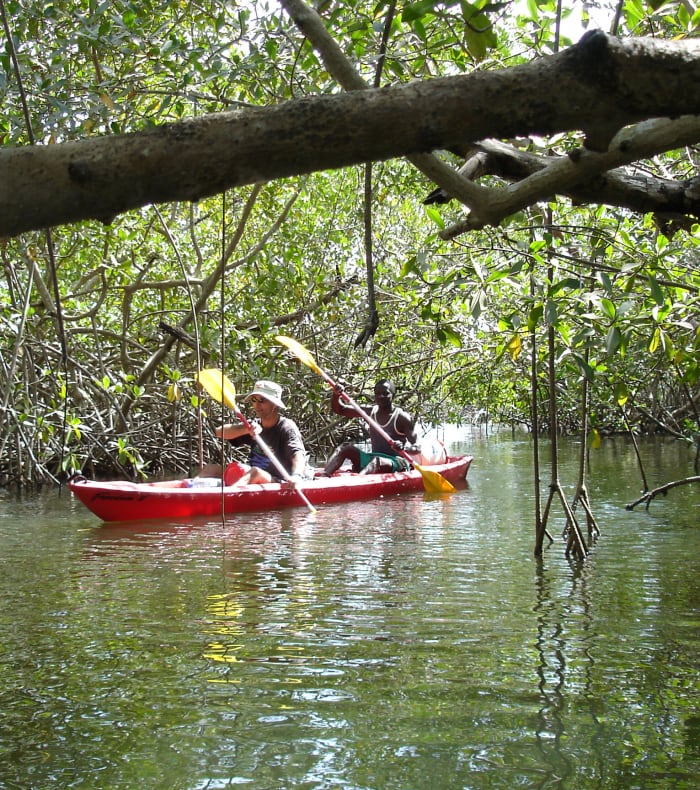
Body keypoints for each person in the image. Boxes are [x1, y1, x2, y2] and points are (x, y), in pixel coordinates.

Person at [199, 380, 309, 488]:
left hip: (279, 479)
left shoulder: (286, 427)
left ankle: (230, 496)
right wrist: (246, 429)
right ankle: (188, 490)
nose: (257, 404)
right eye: (254, 400)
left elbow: (298, 455)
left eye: (262, 400)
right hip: (253, 475)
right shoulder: (253, 425)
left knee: (255, 472)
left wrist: (296, 476)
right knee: (211, 469)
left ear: (275, 404)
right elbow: (219, 432)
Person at [322, 378, 418, 475]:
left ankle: (358, 482)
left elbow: (418, 447)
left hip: (397, 462)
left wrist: (404, 448)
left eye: (385, 393)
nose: (381, 396)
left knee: (377, 461)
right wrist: (336, 395)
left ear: (393, 395)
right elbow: (340, 409)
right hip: (373, 458)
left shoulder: (402, 417)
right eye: (378, 393)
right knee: (345, 448)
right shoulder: (369, 411)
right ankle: (323, 476)